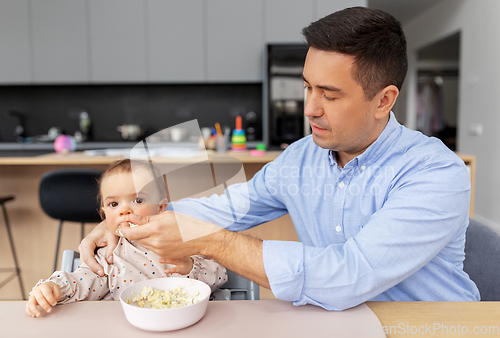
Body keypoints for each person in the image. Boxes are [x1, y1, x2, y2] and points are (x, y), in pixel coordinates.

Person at [79, 7, 480, 311]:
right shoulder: (302, 159)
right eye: (307, 87)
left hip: (432, 327)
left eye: (330, 94)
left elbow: (349, 277)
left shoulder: (434, 172)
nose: (310, 108)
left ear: (384, 100)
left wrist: (210, 242)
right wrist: (134, 218)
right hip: (336, 325)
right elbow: (230, 207)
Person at [26, 159, 227, 318]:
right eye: (114, 204)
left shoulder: (180, 239)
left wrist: (190, 266)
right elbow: (82, 282)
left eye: (138, 200)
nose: (125, 210)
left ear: (161, 207)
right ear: (103, 214)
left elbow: (219, 276)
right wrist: (54, 288)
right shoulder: (109, 256)